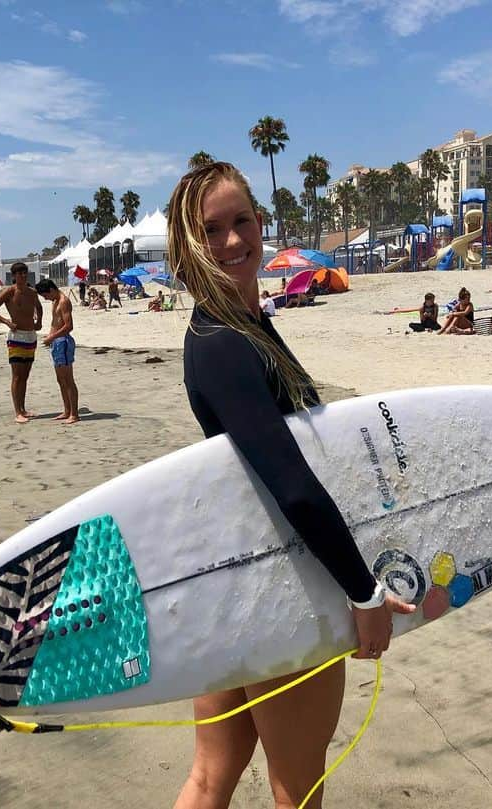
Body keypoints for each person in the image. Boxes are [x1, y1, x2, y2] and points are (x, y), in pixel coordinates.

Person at [167, 161, 414, 809]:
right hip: (282, 590)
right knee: (296, 790)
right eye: (210, 229)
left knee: (209, 777)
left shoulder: (237, 330)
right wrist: (364, 593)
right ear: (187, 244)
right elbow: (293, 485)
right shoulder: (224, 342)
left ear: (260, 223)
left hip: (232, 588)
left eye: (241, 221)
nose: (230, 240)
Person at [0, 262, 43, 424]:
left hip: (31, 336)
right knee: (17, 376)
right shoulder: (9, 292)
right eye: (19, 274)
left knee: (25, 375)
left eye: (25, 273)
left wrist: (39, 321)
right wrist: (6, 322)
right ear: (14, 276)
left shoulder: (32, 292)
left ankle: (23, 409)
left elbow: (39, 307)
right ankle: (17, 411)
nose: (23, 276)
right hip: (16, 338)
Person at [35, 279, 79, 424]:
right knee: (60, 380)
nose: (45, 298)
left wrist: (52, 337)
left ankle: (74, 413)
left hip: (63, 342)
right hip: (56, 342)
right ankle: (67, 410)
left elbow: (68, 326)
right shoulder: (55, 301)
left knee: (68, 380)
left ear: (51, 290)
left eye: (45, 295)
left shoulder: (63, 301)